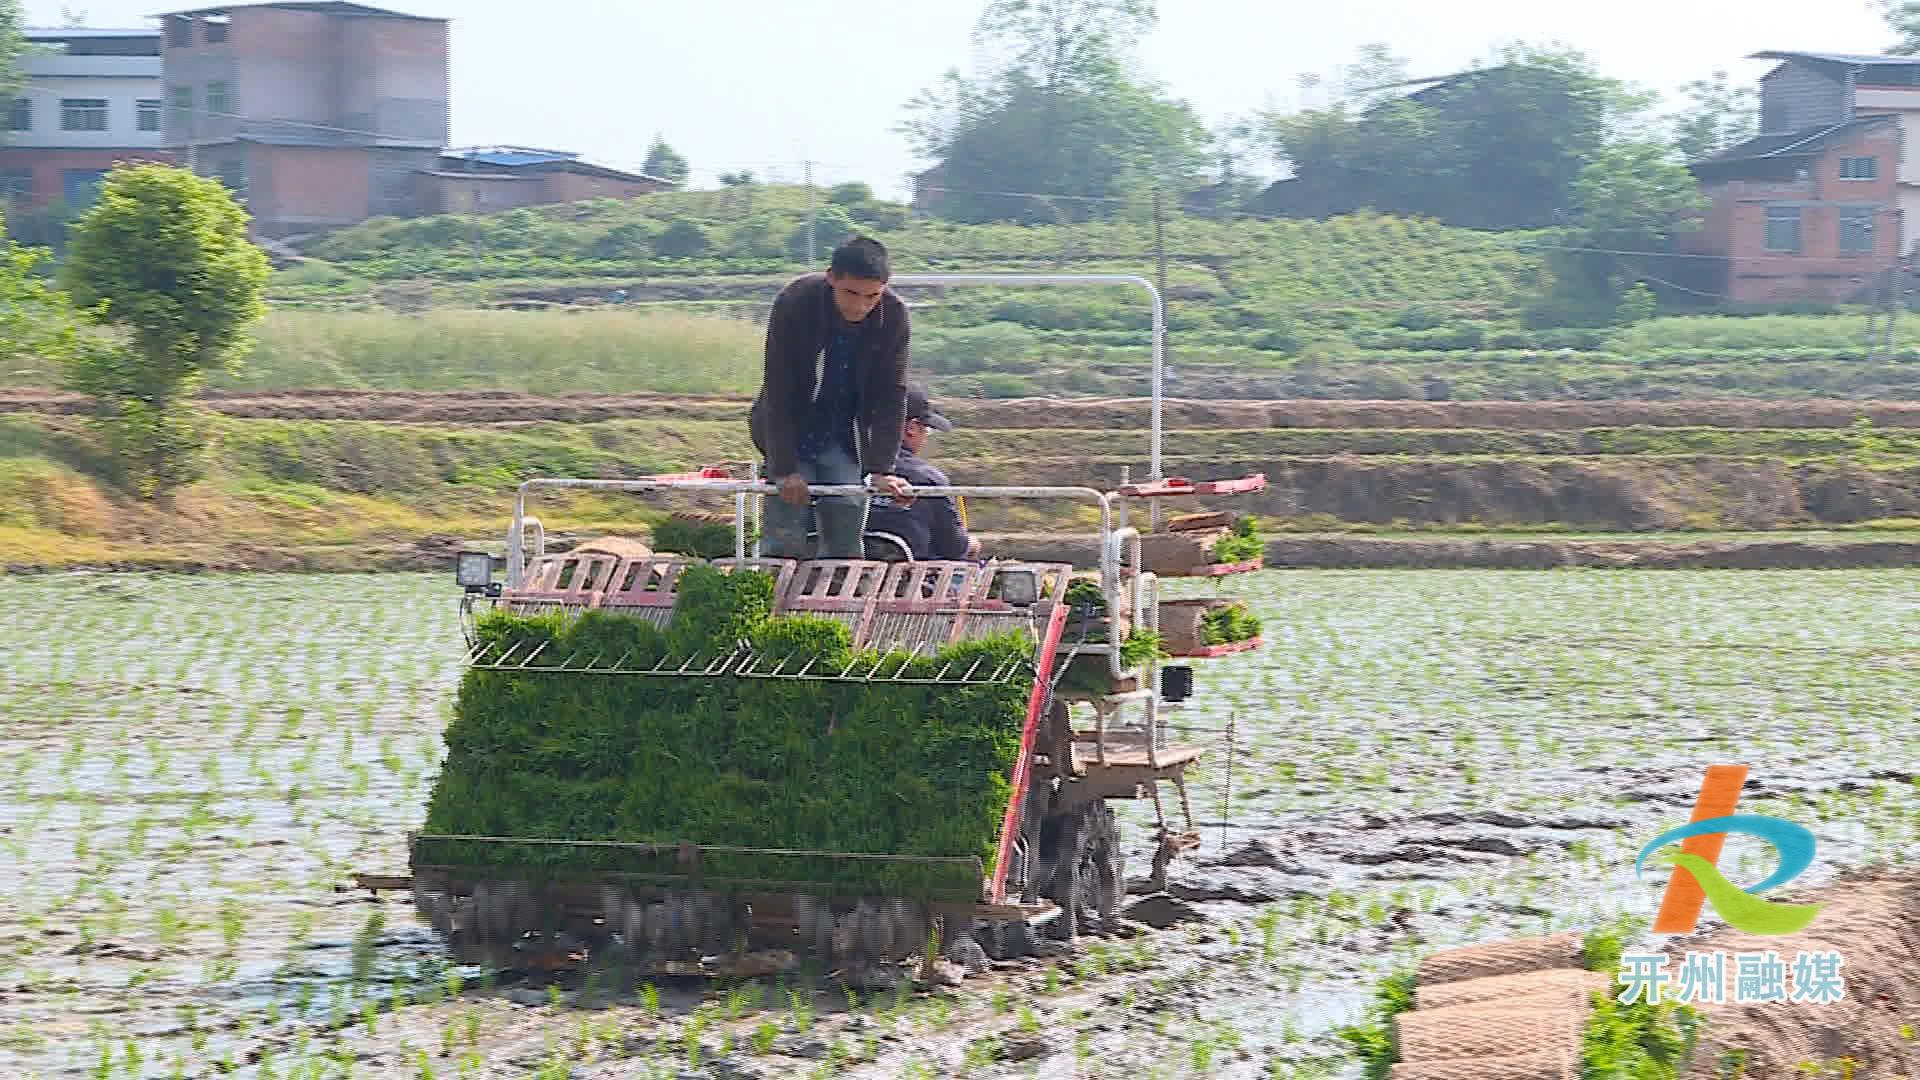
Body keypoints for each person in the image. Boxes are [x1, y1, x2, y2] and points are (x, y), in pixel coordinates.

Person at [748, 235, 914, 558]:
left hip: (843, 434)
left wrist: (882, 468)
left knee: (847, 527)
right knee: (784, 535)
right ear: (831, 277)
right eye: (850, 293)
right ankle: (773, 599)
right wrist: (784, 468)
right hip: (791, 429)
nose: (860, 306)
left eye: (872, 297)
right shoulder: (796, 302)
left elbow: (892, 394)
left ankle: (839, 603)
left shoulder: (894, 315)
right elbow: (778, 389)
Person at [867, 385, 981, 562]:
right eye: (926, 430)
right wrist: (972, 544)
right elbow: (952, 547)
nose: (925, 437)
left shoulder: (838, 472)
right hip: (909, 579)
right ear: (911, 428)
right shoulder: (927, 479)